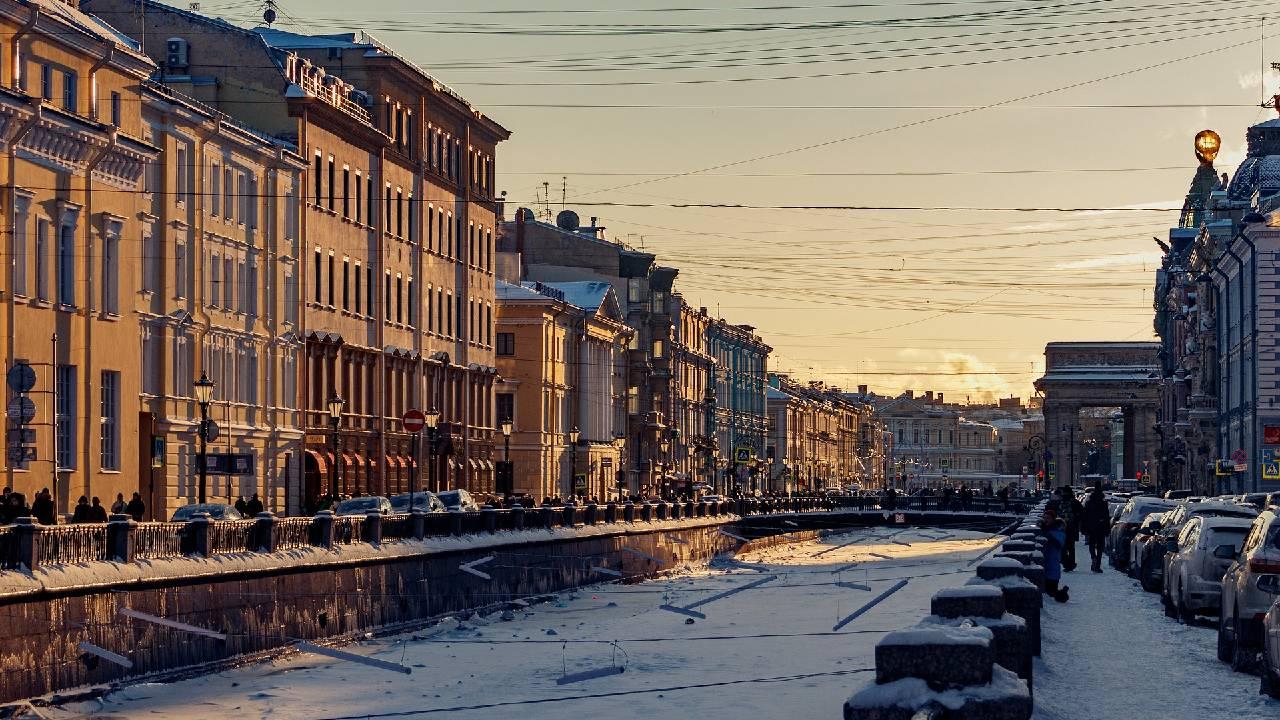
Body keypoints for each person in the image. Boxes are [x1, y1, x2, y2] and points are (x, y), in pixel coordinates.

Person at [1040, 506, 1069, 602]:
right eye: (1044, 518)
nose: (1045, 520)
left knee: (1051, 591)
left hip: (1053, 560)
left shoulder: (1057, 530)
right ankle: (1061, 593)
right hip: (1046, 560)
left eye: (1048, 518)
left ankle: (1062, 594)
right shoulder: (1045, 529)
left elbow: (1059, 544)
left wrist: (1049, 537)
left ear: (1053, 519)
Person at [1082, 483, 1110, 572]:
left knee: (1091, 544)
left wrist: (1084, 527)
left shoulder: (1089, 503)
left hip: (1091, 527)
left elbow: (1085, 516)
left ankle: (1093, 557)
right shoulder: (1104, 503)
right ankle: (1097, 565)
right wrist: (1107, 529)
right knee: (1100, 546)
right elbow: (1106, 517)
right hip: (1101, 527)